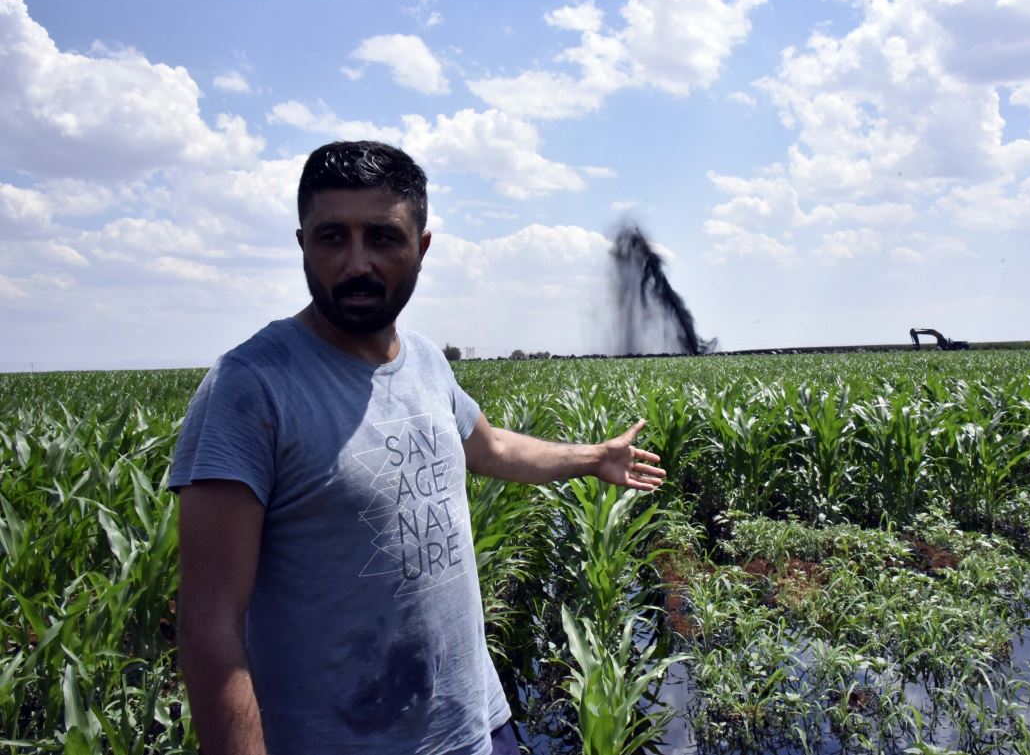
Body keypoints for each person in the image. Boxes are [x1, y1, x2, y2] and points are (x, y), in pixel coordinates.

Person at [169, 140, 666, 755]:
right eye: (332, 238)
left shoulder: (426, 361)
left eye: (381, 237)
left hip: (475, 722)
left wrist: (592, 458)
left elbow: (492, 448)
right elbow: (208, 627)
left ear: (421, 247)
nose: (356, 263)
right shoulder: (250, 389)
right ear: (302, 244)